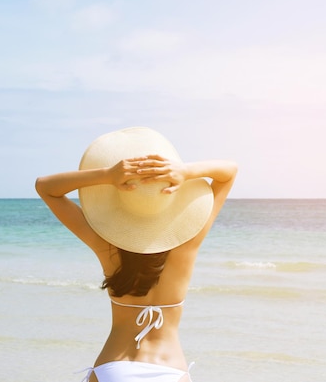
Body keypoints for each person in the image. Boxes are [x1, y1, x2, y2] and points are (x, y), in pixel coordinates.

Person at [35, 127, 238, 382]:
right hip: (170, 370)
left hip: (114, 366)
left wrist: (107, 175)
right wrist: (185, 172)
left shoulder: (107, 246)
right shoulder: (187, 244)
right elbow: (228, 173)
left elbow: (45, 187)